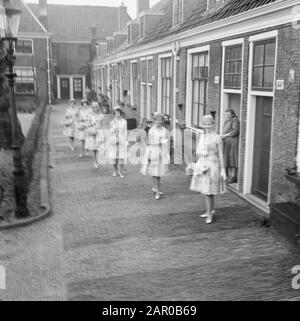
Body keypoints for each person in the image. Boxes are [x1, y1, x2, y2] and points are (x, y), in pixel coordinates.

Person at [190, 115, 227, 224]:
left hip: (213, 164)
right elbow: (198, 151)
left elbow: (220, 153)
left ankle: (210, 214)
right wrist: (196, 163)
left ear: (213, 124)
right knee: (206, 190)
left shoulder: (217, 137)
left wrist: (223, 169)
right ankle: (209, 210)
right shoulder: (202, 136)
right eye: (205, 124)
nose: (207, 126)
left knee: (208, 191)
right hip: (203, 163)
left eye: (209, 124)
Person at [141, 112, 170, 200]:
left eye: (160, 120)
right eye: (157, 120)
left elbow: (167, 140)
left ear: (162, 121)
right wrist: (157, 143)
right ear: (154, 121)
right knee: (155, 173)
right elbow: (150, 142)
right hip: (154, 152)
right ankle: (157, 191)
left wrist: (164, 145)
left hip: (162, 153)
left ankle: (155, 187)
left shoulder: (165, 130)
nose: (158, 122)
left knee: (159, 173)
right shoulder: (151, 131)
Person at [107, 106, 128, 178]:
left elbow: (125, 131)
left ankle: (121, 171)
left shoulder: (124, 122)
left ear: (121, 113)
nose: (117, 114)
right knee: (114, 157)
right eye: (116, 113)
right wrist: (113, 129)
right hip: (114, 140)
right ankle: (115, 170)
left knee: (121, 156)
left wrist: (125, 140)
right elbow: (110, 131)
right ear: (114, 114)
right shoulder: (112, 122)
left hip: (122, 140)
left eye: (119, 113)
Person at [221, 109, 240, 184]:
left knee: (232, 158)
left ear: (232, 114)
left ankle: (233, 176)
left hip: (233, 142)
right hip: (227, 142)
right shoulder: (227, 120)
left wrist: (224, 135)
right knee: (228, 158)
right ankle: (229, 175)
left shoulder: (235, 121)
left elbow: (235, 131)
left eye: (228, 115)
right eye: (226, 115)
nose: (227, 116)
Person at [85, 101, 105, 168]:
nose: (95, 108)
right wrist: (91, 131)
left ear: (99, 107)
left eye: (96, 107)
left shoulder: (101, 115)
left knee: (99, 148)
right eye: (93, 107)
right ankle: (95, 161)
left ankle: (98, 159)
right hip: (92, 133)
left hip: (99, 133)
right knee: (94, 149)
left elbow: (102, 125)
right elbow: (87, 125)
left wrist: (103, 134)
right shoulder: (89, 115)